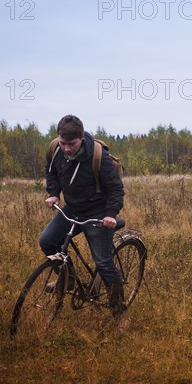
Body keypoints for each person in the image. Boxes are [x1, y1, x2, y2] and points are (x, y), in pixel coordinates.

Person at [38, 114, 128, 330]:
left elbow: (116, 190)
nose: (67, 148)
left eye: (71, 144)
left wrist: (110, 214)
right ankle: (67, 279)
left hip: (98, 212)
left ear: (82, 139)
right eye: (63, 143)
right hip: (73, 208)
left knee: (104, 263)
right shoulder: (54, 149)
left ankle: (120, 313)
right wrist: (53, 193)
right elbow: (51, 173)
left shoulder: (99, 157)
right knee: (47, 241)